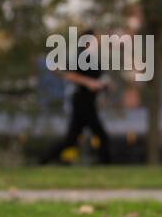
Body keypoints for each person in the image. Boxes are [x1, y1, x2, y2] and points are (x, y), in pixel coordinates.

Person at [40, 28, 113, 164]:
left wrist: (106, 84)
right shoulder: (80, 56)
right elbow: (64, 72)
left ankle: (43, 160)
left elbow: (99, 79)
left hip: (89, 102)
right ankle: (106, 166)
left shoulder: (95, 58)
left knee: (71, 141)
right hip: (82, 102)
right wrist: (88, 82)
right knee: (102, 136)